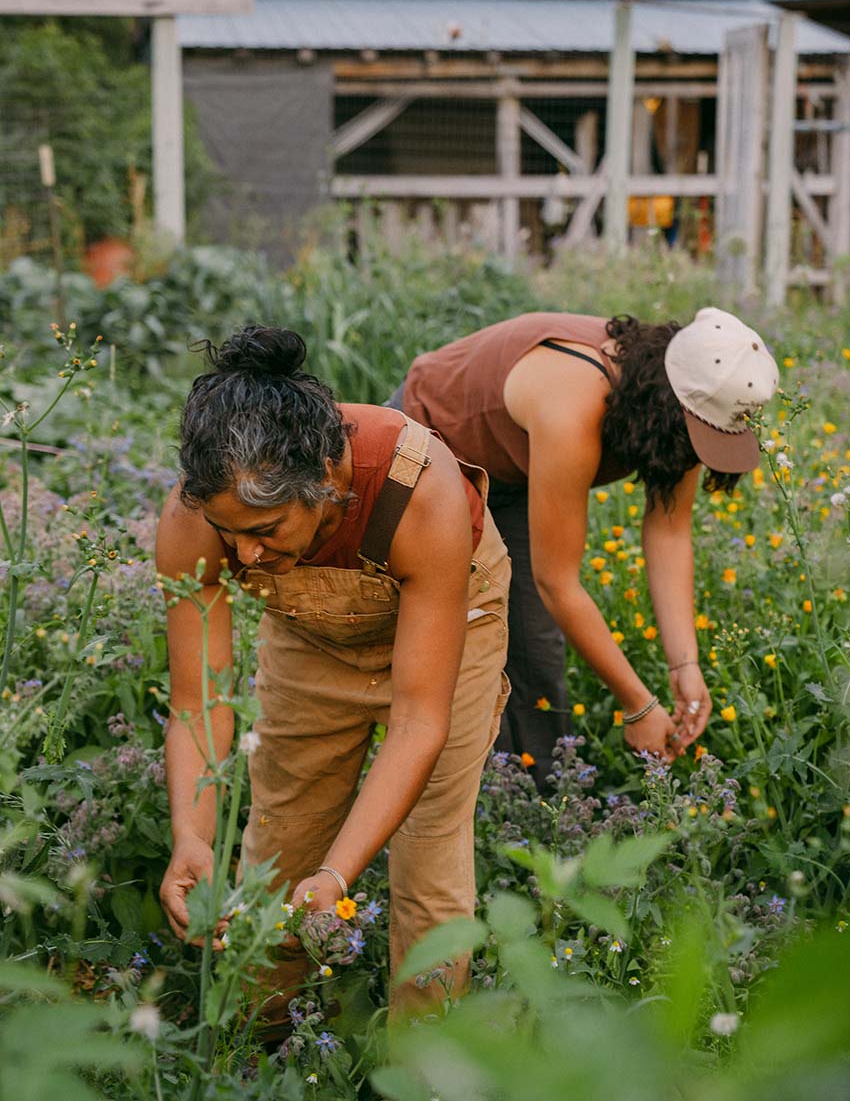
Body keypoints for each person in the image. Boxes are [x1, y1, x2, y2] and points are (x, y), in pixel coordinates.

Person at [157, 326, 510, 1027]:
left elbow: (418, 722)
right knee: (282, 836)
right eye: (232, 535)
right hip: (311, 638)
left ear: (325, 481)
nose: (246, 555)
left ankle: (423, 1082)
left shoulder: (419, 490)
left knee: (429, 858)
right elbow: (200, 703)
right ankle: (260, 1040)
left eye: (266, 528)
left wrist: (338, 876)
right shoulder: (198, 520)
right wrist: (191, 835)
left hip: (449, 626)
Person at [389, 307, 778, 784]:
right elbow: (558, 582)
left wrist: (685, 666)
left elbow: (669, 532)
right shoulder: (574, 402)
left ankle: (542, 804)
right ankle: (451, 792)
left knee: (534, 646)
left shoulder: (683, 405)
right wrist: (638, 706)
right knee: (450, 636)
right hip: (431, 445)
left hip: (514, 468)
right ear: (670, 407)